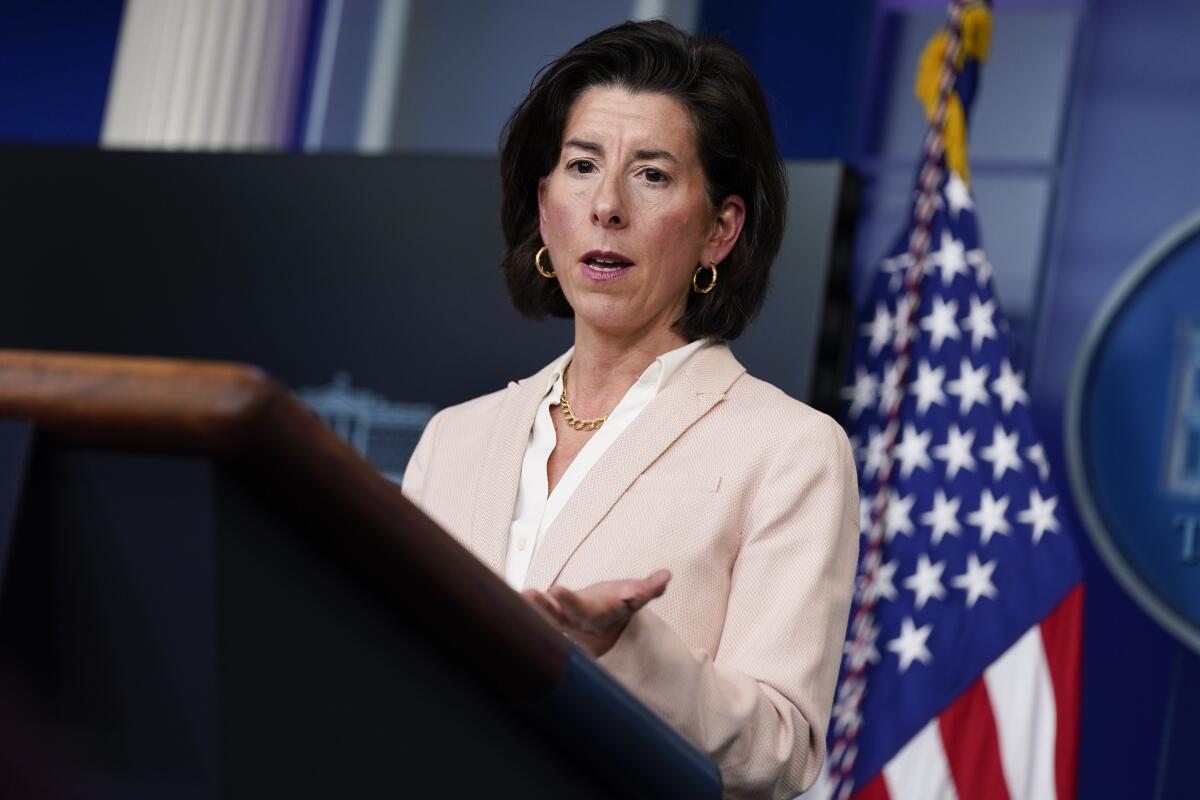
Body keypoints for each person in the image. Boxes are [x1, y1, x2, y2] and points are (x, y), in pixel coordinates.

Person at [403, 19, 858, 799]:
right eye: (581, 166)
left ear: (720, 229)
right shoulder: (455, 438)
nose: (606, 204)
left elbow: (782, 750)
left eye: (651, 175)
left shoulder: (791, 449)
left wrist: (630, 653)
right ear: (545, 207)